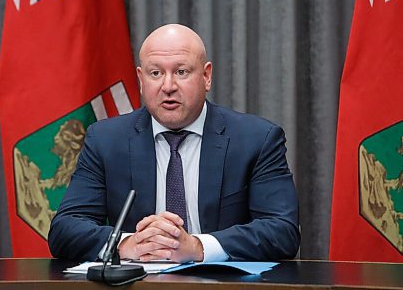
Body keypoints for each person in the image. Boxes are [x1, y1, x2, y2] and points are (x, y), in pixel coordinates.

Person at [48, 24, 300, 263]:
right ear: (141, 79)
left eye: (181, 72)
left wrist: (199, 247)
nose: (168, 86)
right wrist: (129, 245)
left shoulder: (256, 139)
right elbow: (65, 229)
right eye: (155, 73)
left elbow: (282, 231)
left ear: (206, 76)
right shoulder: (105, 140)